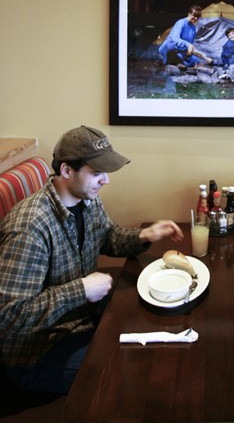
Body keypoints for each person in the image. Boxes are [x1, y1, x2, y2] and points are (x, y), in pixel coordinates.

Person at [0, 126, 183, 395]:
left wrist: (144, 235)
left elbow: (107, 236)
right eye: (96, 173)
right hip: (38, 354)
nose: (105, 180)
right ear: (66, 171)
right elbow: (10, 316)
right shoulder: (29, 228)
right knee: (133, 371)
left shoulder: (85, 197)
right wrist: (81, 290)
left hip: (82, 320)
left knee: (157, 320)